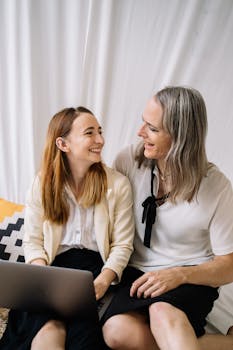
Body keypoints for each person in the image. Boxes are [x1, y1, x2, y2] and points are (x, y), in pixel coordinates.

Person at [102, 86, 233, 350]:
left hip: (190, 277)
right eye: (143, 123)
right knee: (115, 332)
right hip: (137, 275)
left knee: (162, 312)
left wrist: (179, 275)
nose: (140, 133)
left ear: (181, 136)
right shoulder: (129, 160)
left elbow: (228, 265)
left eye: (152, 128)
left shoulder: (216, 186)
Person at [0, 106, 134, 350]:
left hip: (95, 274)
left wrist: (104, 280)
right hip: (50, 271)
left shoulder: (118, 184)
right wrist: (42, 278)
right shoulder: (41, 184)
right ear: (63, 144)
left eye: (100, 132)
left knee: (81, 339)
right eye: (90, 133)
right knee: (47, 330)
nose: (100, 140)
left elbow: (123, 244)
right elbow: (32, 242)